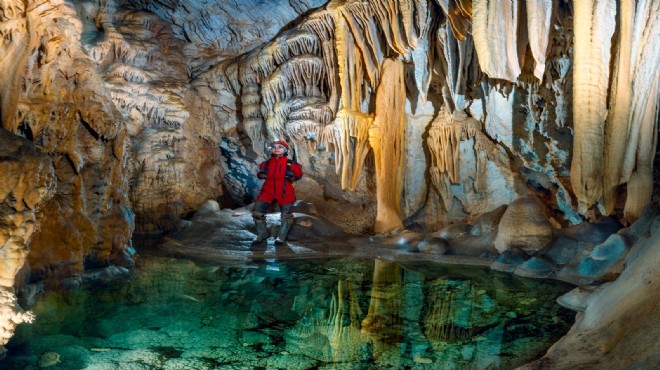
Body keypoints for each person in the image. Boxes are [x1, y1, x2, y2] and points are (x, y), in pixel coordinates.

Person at [252, 140, 303, 244]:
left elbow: (298, 175)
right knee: (257, 212)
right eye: (274, 147)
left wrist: (292, 176)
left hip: (285, 192)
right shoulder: (265, 164)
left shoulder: (291, 164)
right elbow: (261, 174)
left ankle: (281, 237)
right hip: (267, 191)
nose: (276, 148)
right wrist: (261, 175)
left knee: (286, 216)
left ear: (285, 150)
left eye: (279, 147)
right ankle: (262, 234)